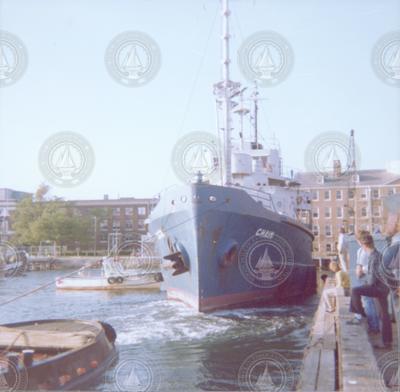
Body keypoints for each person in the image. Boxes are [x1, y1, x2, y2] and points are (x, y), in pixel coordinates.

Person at [347, 233, 392, 349]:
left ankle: (360, 313)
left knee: (355, 290)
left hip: (379, 288)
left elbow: (372, 280)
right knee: (385, 314)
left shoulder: (374, 257)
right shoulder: (377, 254)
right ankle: (387, 342)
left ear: (363, 245)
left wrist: (366, 284)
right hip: (384, 287)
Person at [354, 230, 380, 334]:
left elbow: (361, 268)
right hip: (363, 278)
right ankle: (372, 324)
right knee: (368, 302)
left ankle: (374, 326)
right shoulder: (362, 251)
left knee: (368, 302)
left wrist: (360, 271)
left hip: (365, 278)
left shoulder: (364, 251)